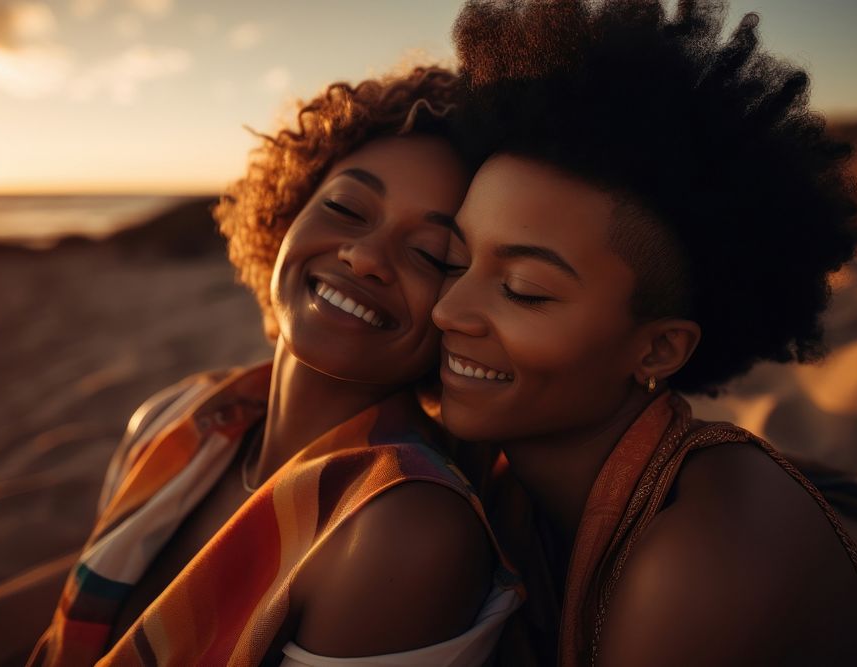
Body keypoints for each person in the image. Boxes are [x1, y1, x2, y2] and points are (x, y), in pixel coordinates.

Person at [433, 1, 857, 665]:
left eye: (524, 290)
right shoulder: (502, 478)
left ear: (659, 348)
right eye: (452, 259)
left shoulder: (698, 563)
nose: (449, 310)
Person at [29, 65, 522, 666]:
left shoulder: (402, 529)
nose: (365, 257)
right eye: (345, 207)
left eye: (430, 253)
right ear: (287, 213)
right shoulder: (177, 419)